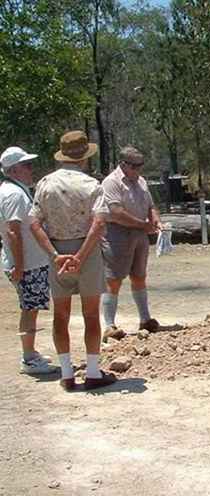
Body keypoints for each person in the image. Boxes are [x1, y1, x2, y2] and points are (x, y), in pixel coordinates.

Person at [29, 130, 116, 391]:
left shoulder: (45, 184)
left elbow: (34, 223)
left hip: (58, 252)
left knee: (61, 315)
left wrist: (55, 255)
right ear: (84, 157)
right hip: (86, 253)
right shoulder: (92, 186)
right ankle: (92, 372)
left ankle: (67, 374)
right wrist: (80, 256)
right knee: (90, 315)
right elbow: (99, 223)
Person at [0, 147, 57, 375]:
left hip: (28, 262)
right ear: (13, 170)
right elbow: (14, 232)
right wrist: (20, 266)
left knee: (31, 308)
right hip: (27, 264)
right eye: (26, 165)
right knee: (30, 309)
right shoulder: (14, 194)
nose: (31, 169)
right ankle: (29, 358)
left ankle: (30, 353)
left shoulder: (15, 191)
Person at [100, 146, 162, 342]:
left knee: (139, 276)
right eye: (134, 166)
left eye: (140, 166)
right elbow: (116, 212)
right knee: (113, 280)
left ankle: (145, 319)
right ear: (123, 164)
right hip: (117, 234)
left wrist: (155, 221)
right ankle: (109, 325)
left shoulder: (141, 181)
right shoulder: (111, 182)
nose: (138, 170)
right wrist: (143, 225)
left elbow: (151, 206)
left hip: (139, 235)